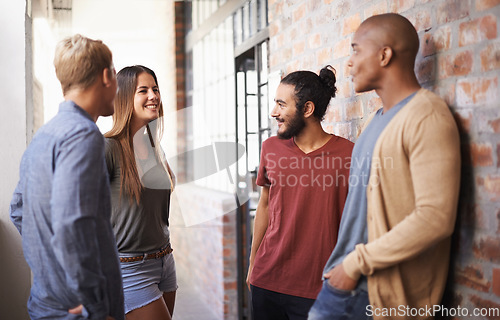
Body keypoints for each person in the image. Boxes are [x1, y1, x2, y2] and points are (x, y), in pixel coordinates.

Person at [308, 13, 461, 320]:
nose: (349, 63)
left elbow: (435, 218)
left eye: (356, 49)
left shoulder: (426, 115)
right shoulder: (375, 122)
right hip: (345, 284)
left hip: (375, 293)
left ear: (384, 54)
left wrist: (354, 264)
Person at [9, 34, 124, 320]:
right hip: (79, 312)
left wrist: (52, 273)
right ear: (107, 76)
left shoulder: (44, 136)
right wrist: (95, 305)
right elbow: (74, 224)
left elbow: (18, 210)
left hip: (48, 302)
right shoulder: (83, 135)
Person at [247, 66, 354, 320]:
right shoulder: (270, 148)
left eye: (281, 105)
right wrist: (252, 266)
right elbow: (264, 205)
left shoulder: (350, 154)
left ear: (307, 109)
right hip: (266, 280)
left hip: (320, 288)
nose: (274, 112)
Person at [104, 65, 177, 320]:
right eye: (143, 90)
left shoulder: (156, 147)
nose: (153, 96)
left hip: (165, 261)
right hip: (129, 268)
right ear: (124, 97)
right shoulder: (108, 147)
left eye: (155, 89)